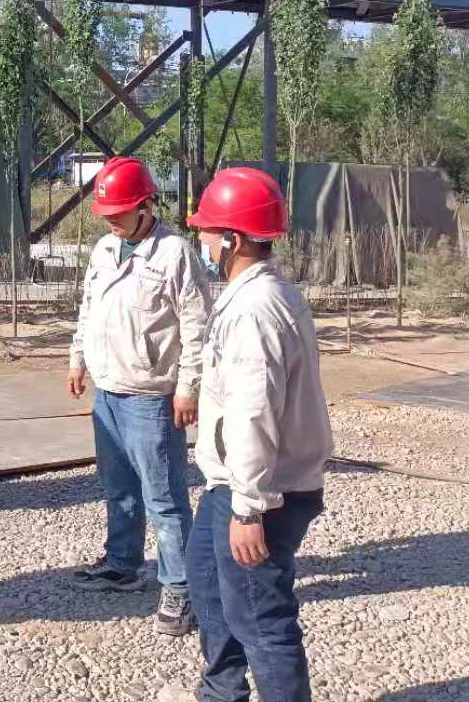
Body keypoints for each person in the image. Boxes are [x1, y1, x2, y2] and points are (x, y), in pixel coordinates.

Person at [168, 167, 334, 702]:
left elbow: (253, 414)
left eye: (207, 232)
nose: (201, 241)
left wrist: (249, 510)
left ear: (233, 240)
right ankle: (222, 693)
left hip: (263, 491)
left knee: (260, 617)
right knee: (208, 587)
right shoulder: (257, 294)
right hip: (234, 482)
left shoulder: (255, 311)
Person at [67, 157, 209, 638]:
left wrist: (188, 388)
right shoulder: (104, 249)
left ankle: (180, 588)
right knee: (119, 488)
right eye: (105, 212)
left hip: (151, 398)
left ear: (145, 205)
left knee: (164, 499)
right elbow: (88, 308)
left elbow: (197, 329)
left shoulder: (174, 254)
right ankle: (122, 565)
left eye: (118, 211)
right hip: (107, 392)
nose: (110, 219)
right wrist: (77, 358)